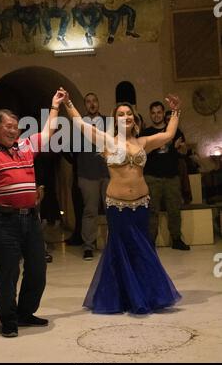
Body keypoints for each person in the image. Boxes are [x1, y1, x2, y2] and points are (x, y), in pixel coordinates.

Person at [61, 88, 181, 314]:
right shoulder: (106, 140)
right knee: (121, 250)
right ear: (115, 120)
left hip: (142, 205)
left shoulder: (144, 142)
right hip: (118, 206)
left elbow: (168, 135)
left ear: (134, 119)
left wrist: (175, 111)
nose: (125, 117)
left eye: (129, 114)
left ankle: (146, 293)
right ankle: (124, 297)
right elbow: (80, 124)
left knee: (142, 249)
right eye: (121, 114)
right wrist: (68, 103)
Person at [0, 89, 65, 338]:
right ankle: (8, 319)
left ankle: (25, 312)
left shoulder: (25, 146)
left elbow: (48, 131)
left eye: (16, 127)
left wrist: (54, 107)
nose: (14, 130)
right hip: (2, 221)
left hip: (30, 219)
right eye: (8, 126)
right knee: (8, 274)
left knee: (38, 269)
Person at [142, 102, 190, 250]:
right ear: (150, 114)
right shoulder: (146, 133)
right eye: (153, 112)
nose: (156, 115)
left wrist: (181, 147)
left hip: (172, 177)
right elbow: (141, 154)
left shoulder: (175, 131)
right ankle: (150, 242)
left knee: (174, 209)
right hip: (152, 177)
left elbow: (184, 152)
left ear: (163, 113)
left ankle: (176, 239)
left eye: (159, 112)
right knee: (151, 211)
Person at [76, 93, 109, 260]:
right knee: (90, 211)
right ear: (85, 105)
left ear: (98, 103)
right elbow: (71, 149)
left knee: (112, 210)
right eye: (88, 102)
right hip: (87, 174)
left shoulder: (109, 122)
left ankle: (114, 245)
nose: (92, 104)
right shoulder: (79, 124)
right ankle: (88, 245)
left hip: (108, 173)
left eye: (94, 100)